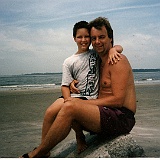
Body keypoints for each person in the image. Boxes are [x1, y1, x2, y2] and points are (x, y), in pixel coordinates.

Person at [20, 17, 136, 158]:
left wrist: (81, 103)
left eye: (102, 37)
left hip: (121, 118)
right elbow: (85, 74)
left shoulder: (117, 60)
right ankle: (54, 146)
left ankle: (38, 153)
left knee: (71, 106)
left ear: (110, 38)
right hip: (104, 113)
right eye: (94, 38)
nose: (97, 42)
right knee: (65, 105)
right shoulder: (98, 60)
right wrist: (71, 83)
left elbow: (117, 100)